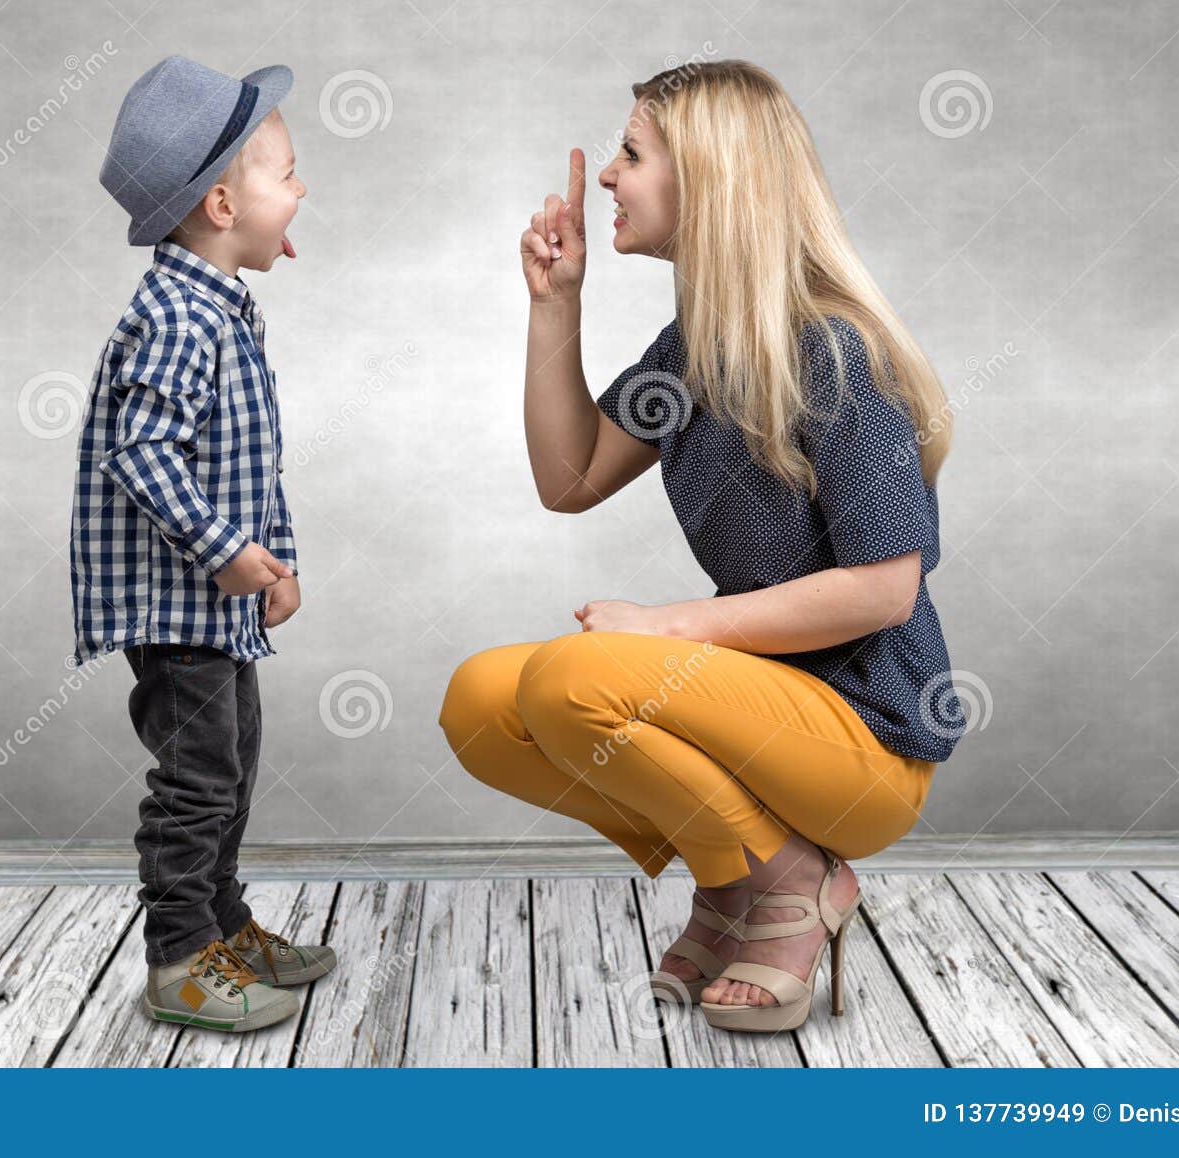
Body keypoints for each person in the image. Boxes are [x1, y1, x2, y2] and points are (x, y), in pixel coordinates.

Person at [438, 60, 967, 1034]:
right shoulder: (691, 354)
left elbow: (887, 590)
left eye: (631, 155)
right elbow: (572, 477)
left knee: (571, 681)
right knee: (479, 704)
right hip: (760, 720)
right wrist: (556, 304)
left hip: (862, 747)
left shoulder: (834, 353)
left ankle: (790, 882)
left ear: (709, 182)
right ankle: (740, 876)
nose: (606, 176)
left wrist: (667, 629)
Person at [71, 54, 335, 1033]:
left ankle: (222, 926)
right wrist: (225, 549)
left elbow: (248, 458)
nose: (300, 189)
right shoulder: (175, 314)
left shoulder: (221, 307)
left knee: (234, 763)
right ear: (223, 203)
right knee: (197, 778)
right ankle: (179, 955)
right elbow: (140, 453)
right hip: (177, 604)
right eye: (286, 173)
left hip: (218, 600)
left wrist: (277, 555)